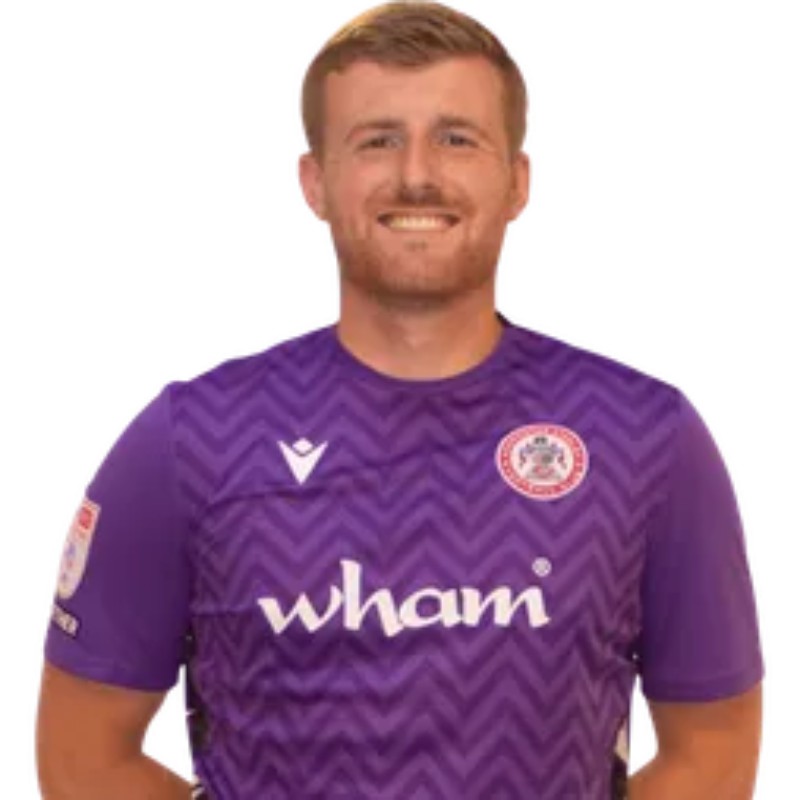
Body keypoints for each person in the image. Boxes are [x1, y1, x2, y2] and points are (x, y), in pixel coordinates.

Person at [36, 2, 765, 798]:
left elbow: (713, 748)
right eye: (377, 140)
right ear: (316, 182)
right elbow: (82, 758)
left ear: (517, 181)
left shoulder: (643, 437)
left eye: (457, 138)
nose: (417, 174)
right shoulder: (191, 442)